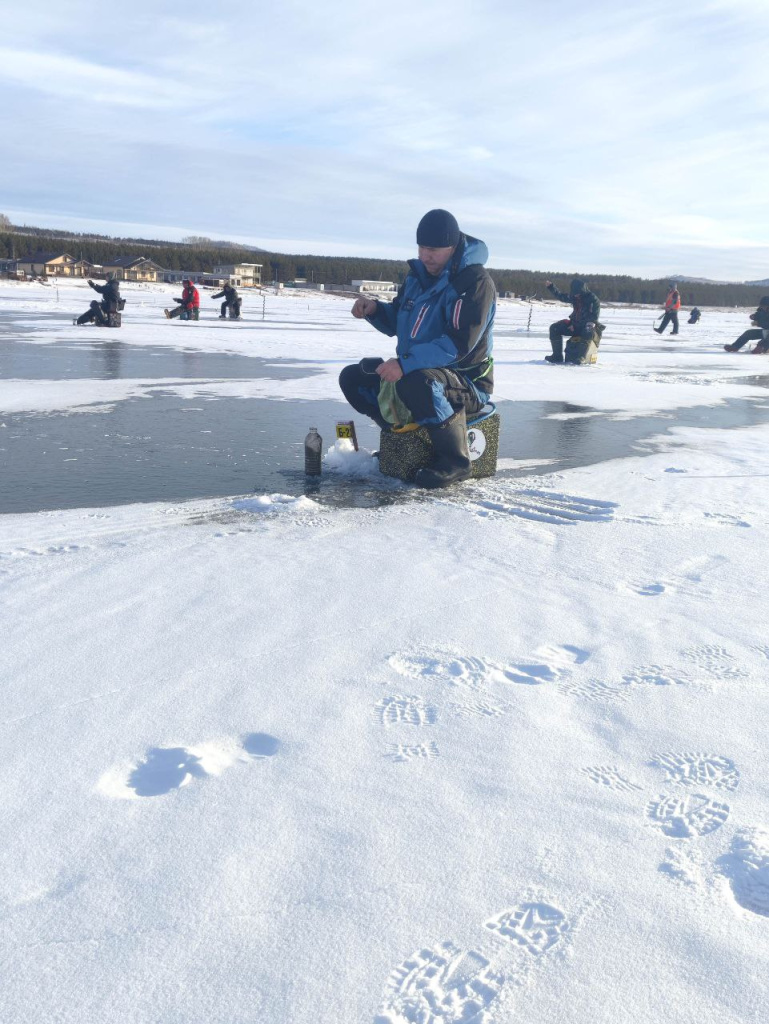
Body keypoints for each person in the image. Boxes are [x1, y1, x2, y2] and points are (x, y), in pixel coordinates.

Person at [338, 208, 495, 489]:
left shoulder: (473, 282)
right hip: (418, 371)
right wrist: (375, 310)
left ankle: (456, 462)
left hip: (467, 381)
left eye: (433, 250)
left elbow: (458, 344)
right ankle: (403, 443)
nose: (425, 256)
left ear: (452, 246)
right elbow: (398, 320)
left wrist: (404, 364)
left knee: (417, 381)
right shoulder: (417, 277)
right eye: (421, 248)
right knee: (353, 377)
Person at [544, 278, 601, 363]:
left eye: (577, 293)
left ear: (582, 291)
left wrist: (576, 325)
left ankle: (581, 357)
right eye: (574, 293)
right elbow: (561, 296)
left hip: (586, 327)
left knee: (588, 330)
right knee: (554, 328)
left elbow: (593, 318)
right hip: (574, 326)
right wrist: (551, 287)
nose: (576, 295)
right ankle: (557, 356)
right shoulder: (574, 296)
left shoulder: (593, 299)